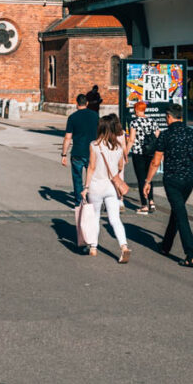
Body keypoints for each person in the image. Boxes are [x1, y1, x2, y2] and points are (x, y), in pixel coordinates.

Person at [143, 102, 193, 267]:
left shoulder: (165, 135)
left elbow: (156, 162)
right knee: (177, 212)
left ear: (168, 117)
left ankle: (191, 255)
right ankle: (165, 246)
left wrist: (147, 181)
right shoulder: (191, 133)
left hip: (172, 181)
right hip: (189, 180)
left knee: (181, 215)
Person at [82, 118, 131, 263]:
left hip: (96, 186)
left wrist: (86, 187)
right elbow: (121, 166)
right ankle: (124, 246)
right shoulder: (118, 147)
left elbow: (91, 167)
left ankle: (93, 247)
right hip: (111, 187)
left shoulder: (94, 145)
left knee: (95, 217)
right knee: (115, 219)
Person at [61, 93, 99, 207]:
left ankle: (79, 203)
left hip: (77, 151)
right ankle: (92, 201)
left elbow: (68, 137)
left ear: (76, 103)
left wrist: (63, 154)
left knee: (77, 179)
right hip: (92, 152)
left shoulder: (72, 117)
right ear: (87, 103)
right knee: (92, 178)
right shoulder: (95, 116)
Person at [127, 101, 160, 214]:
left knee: (141, 179)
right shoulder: (153, 121)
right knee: (148, 178)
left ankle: (144, 204)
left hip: (139, 153)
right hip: (150, 153)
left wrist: (125, 153)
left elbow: (131, 140)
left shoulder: (134, 123)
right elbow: (157, 137)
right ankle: (151, 201)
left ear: (136, 110)